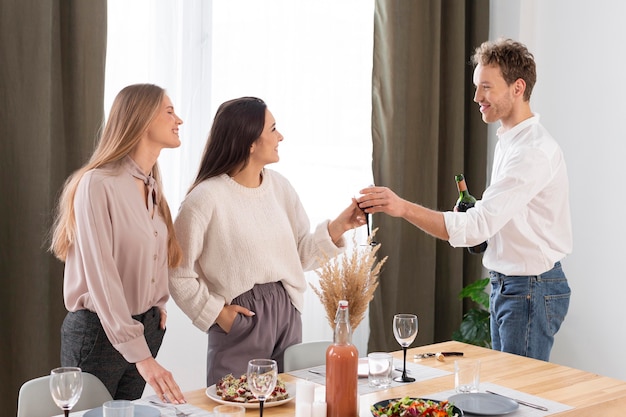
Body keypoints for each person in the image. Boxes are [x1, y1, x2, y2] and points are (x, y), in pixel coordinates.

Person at [357, 39, 572, 361]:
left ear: (518, 87)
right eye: (476, 86)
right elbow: (494, 222)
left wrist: (400, 207)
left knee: (519, 397)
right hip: (512, 285)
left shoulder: (531, 152)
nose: (477, 97)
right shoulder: (511, 142)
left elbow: (475, 228)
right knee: (508, 391)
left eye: (486, 87)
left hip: (530, 288)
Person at [168, 96, 365, 386]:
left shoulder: (280, 187)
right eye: (273, 129)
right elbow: (177, 273)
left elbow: (300, 255)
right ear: (250, 142)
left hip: (286, 314)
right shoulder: (204, 199)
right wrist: (218, 315)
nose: (280, 136)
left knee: (285, 404)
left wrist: (339, 226)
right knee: (234, 405)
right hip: (241, 319)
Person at [49, 84, 186, 403]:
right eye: (169, 111)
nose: (178, 119)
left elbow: (152, 257)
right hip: (99, 334)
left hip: (145, 329)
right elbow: (102, 277)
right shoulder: (97, 184)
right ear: (141, 118)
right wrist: (142, 357)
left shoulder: (152, 188)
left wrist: (158, 304)